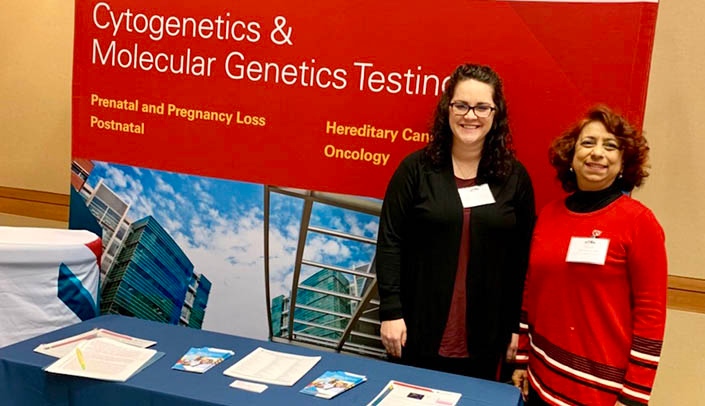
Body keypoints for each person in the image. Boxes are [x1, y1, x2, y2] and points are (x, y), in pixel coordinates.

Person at [376, 63, 536, 380]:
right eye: (461, 105)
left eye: (481, 107)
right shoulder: (415, 169)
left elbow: (522, 259)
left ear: (496, 113)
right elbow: (390, 242)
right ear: (447, 108)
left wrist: (518, 325)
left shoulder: (514, 178)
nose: (470, 116)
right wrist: (391, 312)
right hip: (414, 331)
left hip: (487, 336)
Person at [512, 106, 667, 405]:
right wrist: (522, 357)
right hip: (541, 378)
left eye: (610, 146)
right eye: (588, 143)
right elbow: (531, 290)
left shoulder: (640, 223)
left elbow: (651, 315)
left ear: (623, 163)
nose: (597, 153)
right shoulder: (548, 216)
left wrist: (634, 395)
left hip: (601, 391)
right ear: (571, 157)